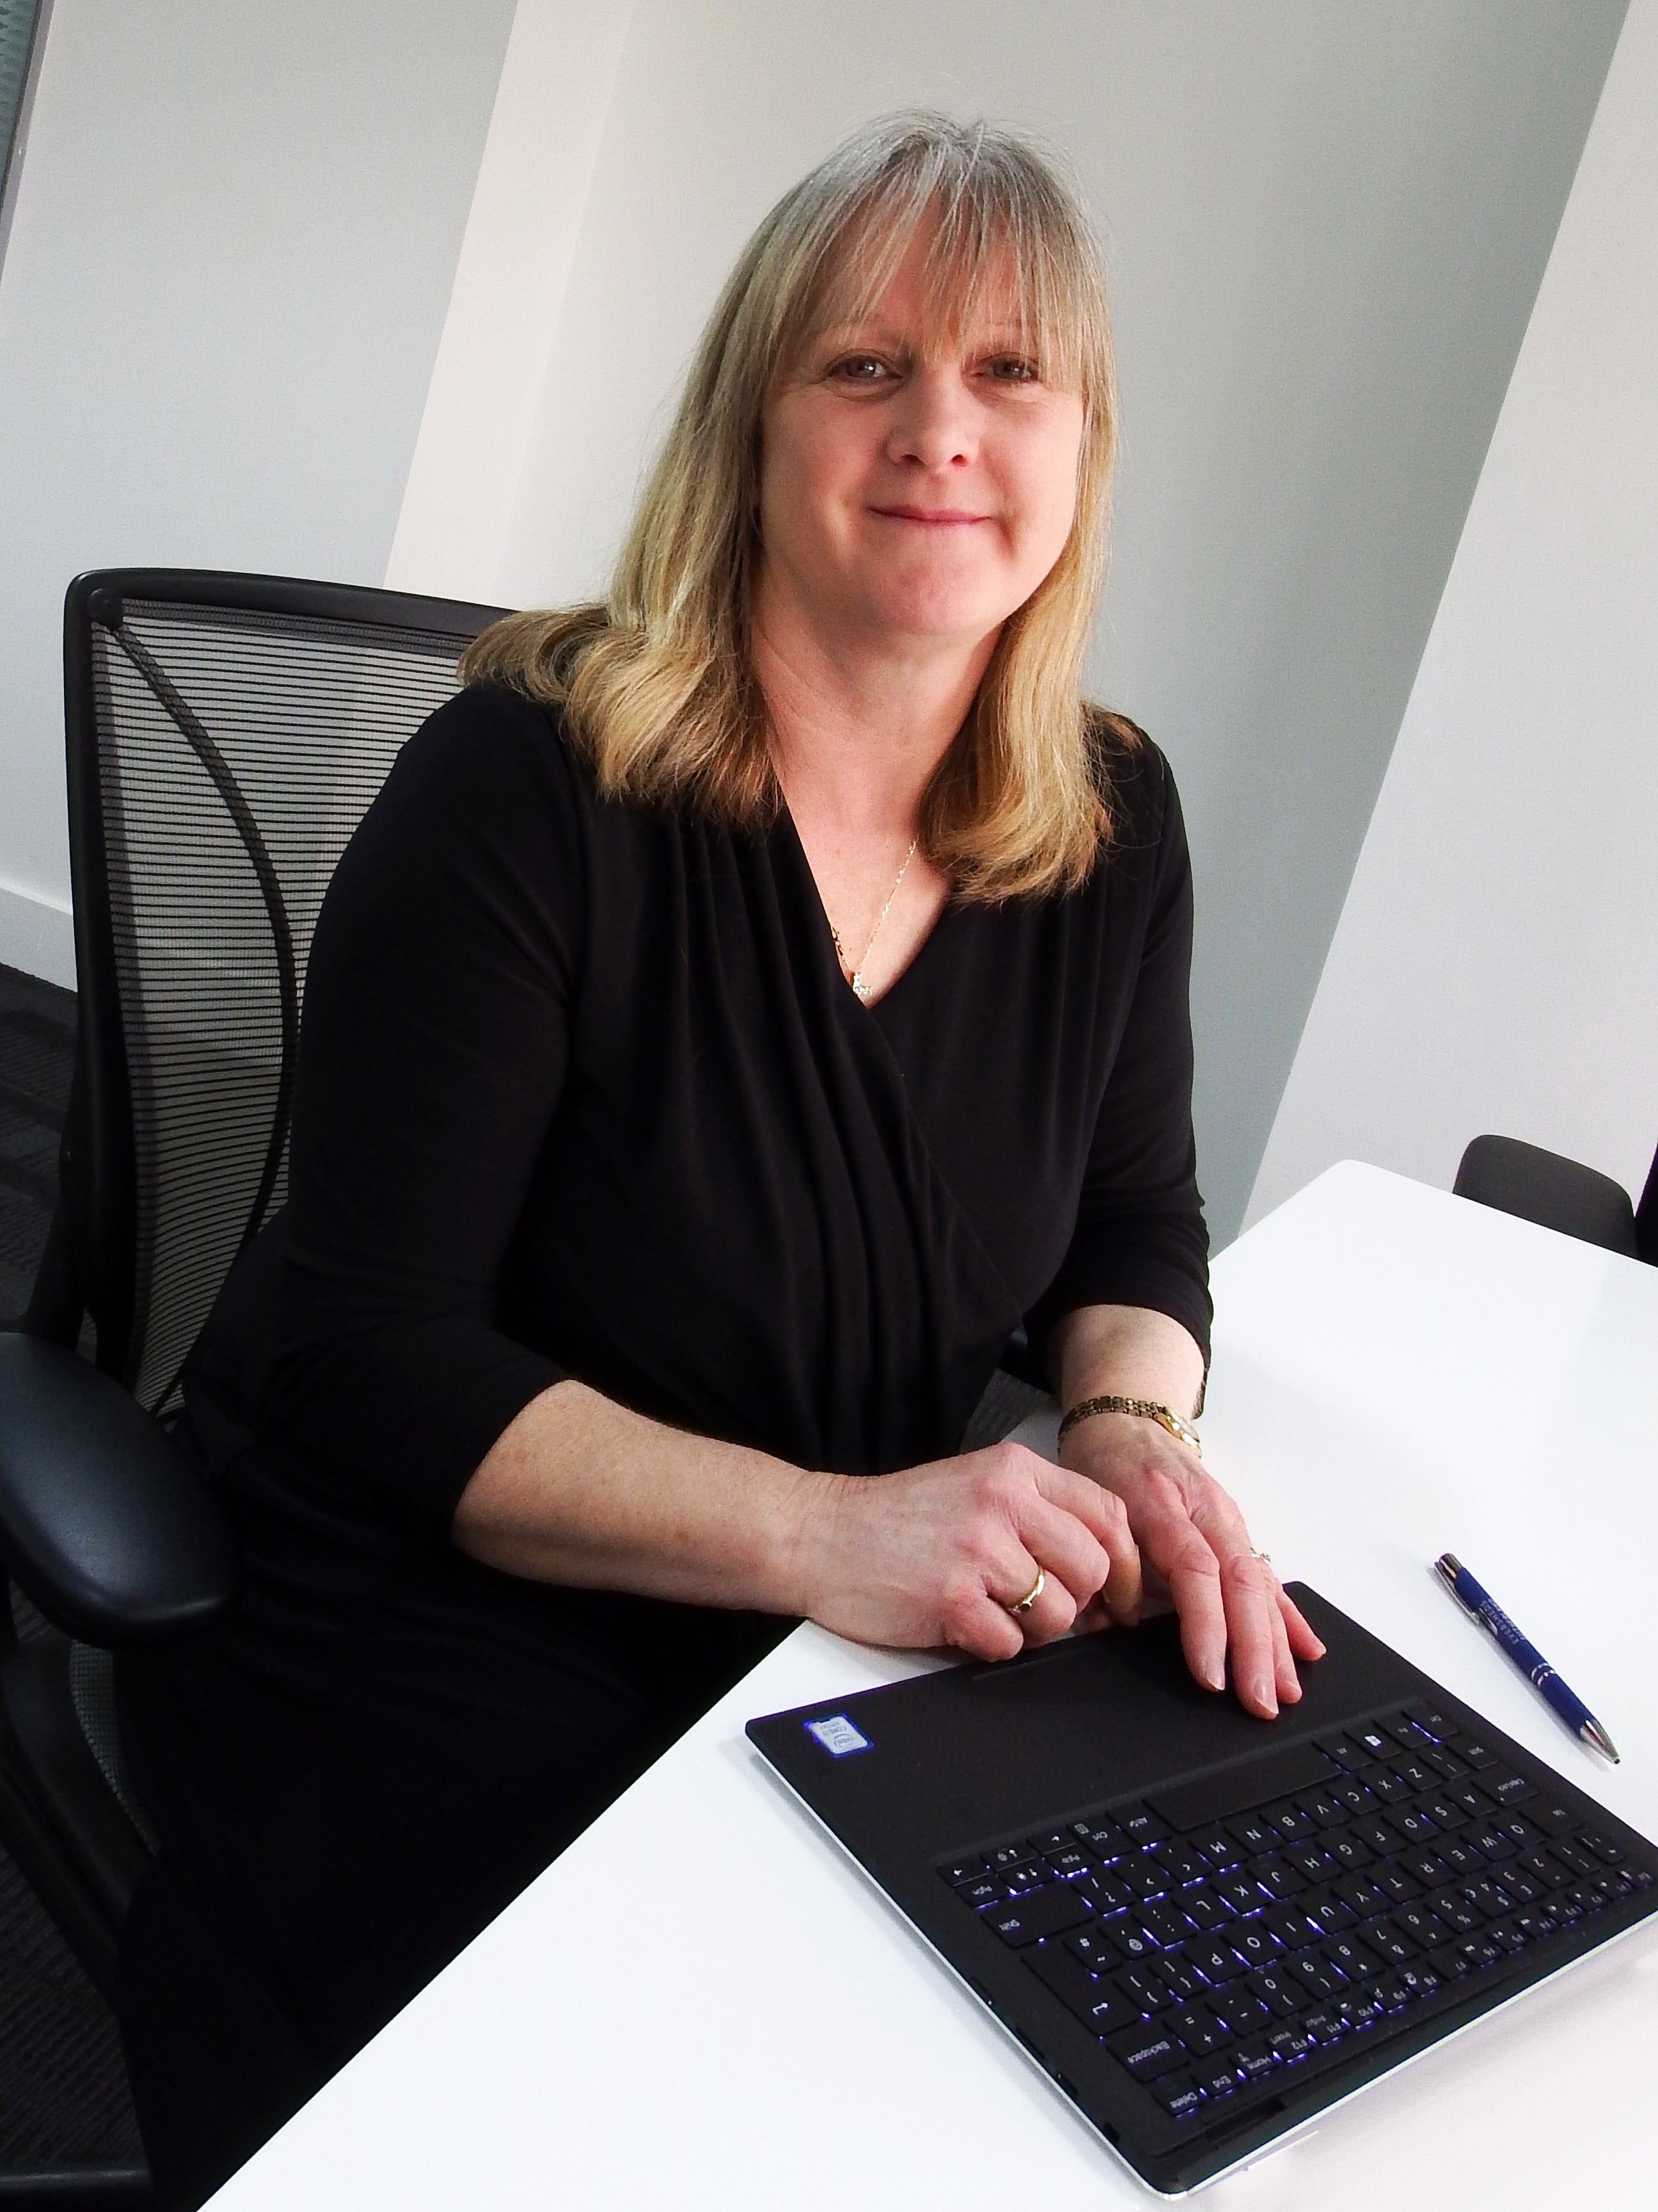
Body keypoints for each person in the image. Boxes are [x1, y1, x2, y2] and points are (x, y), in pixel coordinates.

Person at [114, 111, 1322, 2206]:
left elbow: (1132, 1214)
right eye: (868, 365)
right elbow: (374, 1353)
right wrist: (830, 1531)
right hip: (437, 1618)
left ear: (1081, 446)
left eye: (1009, 373)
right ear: (750, 427)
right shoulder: (524, 781)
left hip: (825, 1619)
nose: (943, 428)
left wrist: (1132, 1419)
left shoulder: (1110, 821)